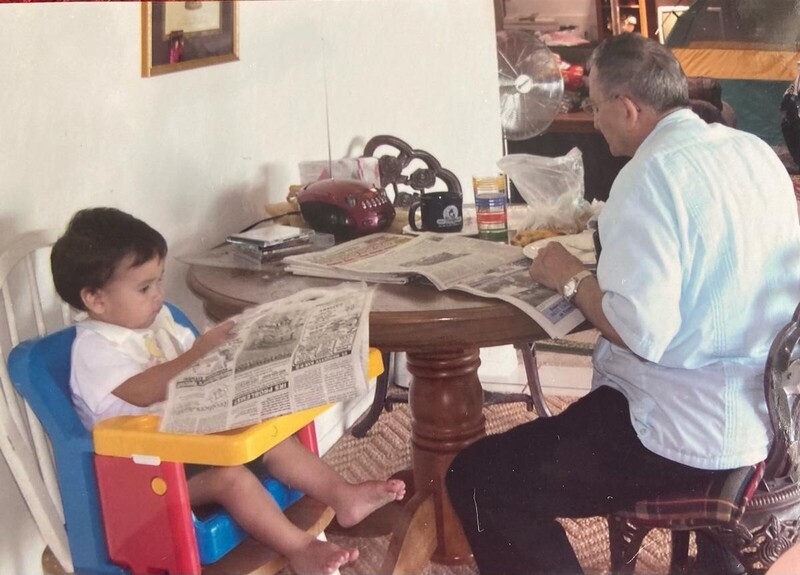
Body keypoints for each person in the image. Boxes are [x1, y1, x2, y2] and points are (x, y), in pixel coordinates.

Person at [446, 32, 800, 575]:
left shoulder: (649, 176)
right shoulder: (752, 150)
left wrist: (569, 278)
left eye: (593, 104)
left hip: (683, 433)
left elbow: (640, 331)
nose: (591, 120)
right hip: (770, 417)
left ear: (627, 107)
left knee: (478, 477)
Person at [51, 207, 406, 575]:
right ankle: (300, 549)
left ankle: (342, 496)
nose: (158, 295)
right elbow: (139, 392)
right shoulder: (94, 347)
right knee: (231, 479)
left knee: (275, 440)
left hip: (190, 442)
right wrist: (198, 353)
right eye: (144, 287)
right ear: (95, 299)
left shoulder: (160, 322)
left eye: (158, 281)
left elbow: (200, 372)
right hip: (147, 475)